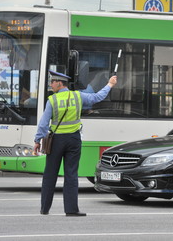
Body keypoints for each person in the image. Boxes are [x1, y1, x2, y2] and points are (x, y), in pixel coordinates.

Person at [33, 70, 117, 217]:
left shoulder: (52, 100)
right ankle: (71, 209)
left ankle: (44, 208)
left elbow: (43, 123)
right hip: (73, 140)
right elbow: (98, 97)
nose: (51, 84)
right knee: (71, 174)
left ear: (59, 83)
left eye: (52, 82)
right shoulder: (78, 96)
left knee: (50, 174)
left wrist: (37, 141)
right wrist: (109, 84)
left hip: (56, 141)